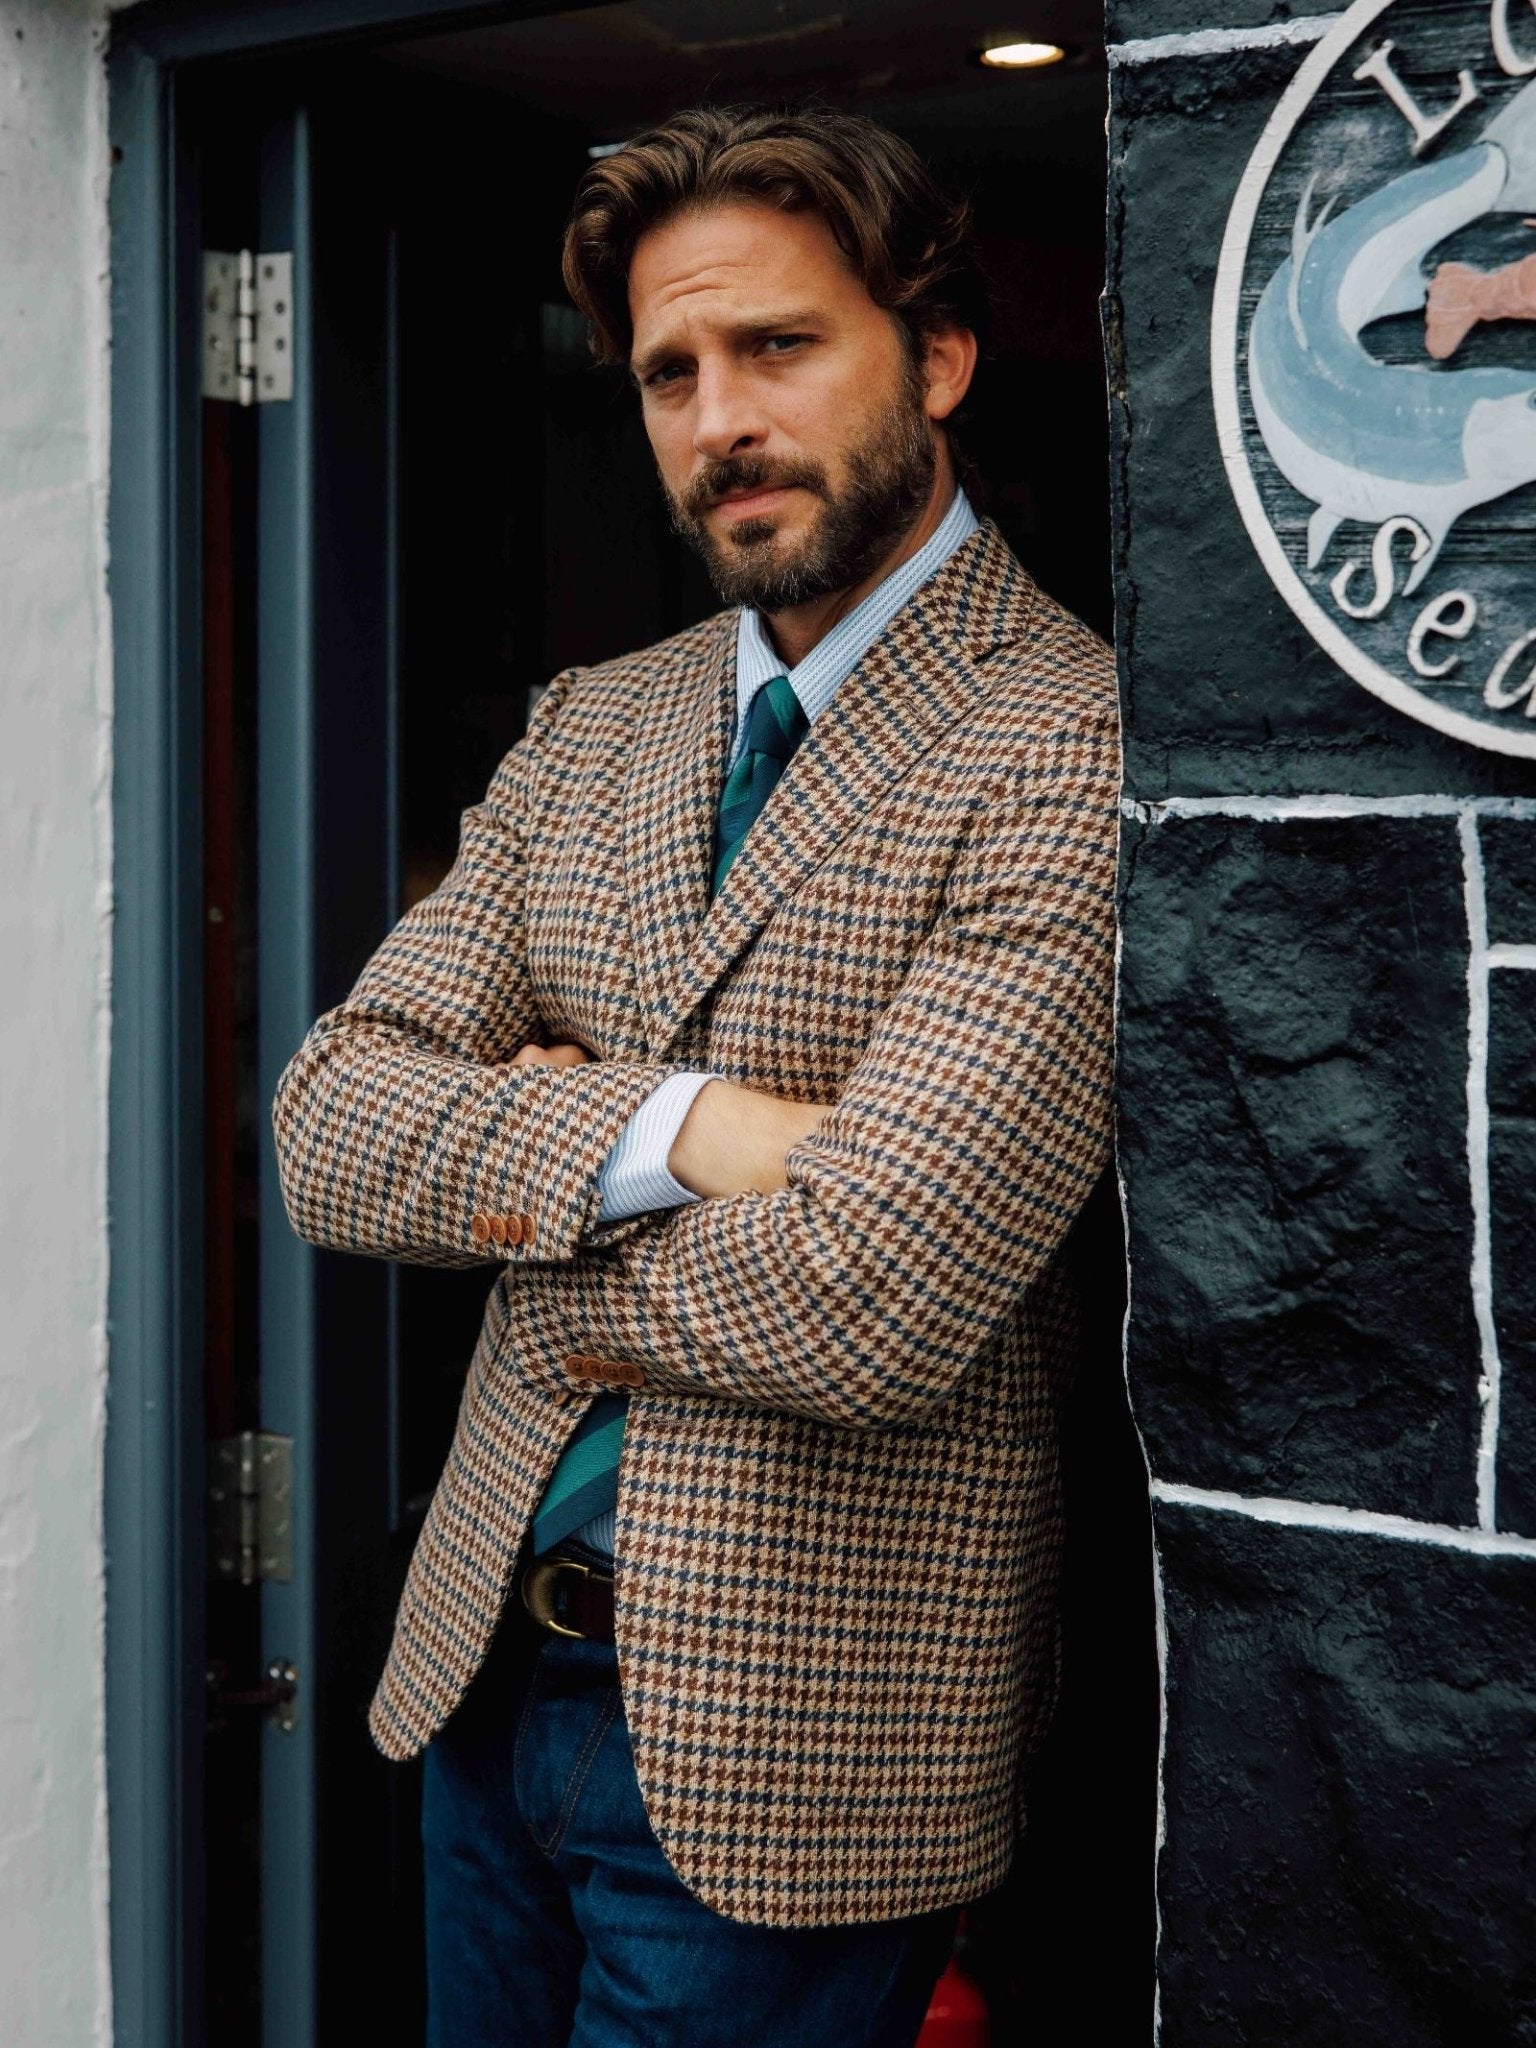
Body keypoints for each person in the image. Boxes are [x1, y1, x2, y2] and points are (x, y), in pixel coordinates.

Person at [273, 101, 1119, 2048]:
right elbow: (332, 1123)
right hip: (488, 1686)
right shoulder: (595, 724)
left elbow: (872, 1291)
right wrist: (689, 1128)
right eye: (670, 369)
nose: (716, 414)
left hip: (797, 1759)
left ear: (939, 355)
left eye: (778, 345)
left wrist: (523, 1186)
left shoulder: (1068, 742)